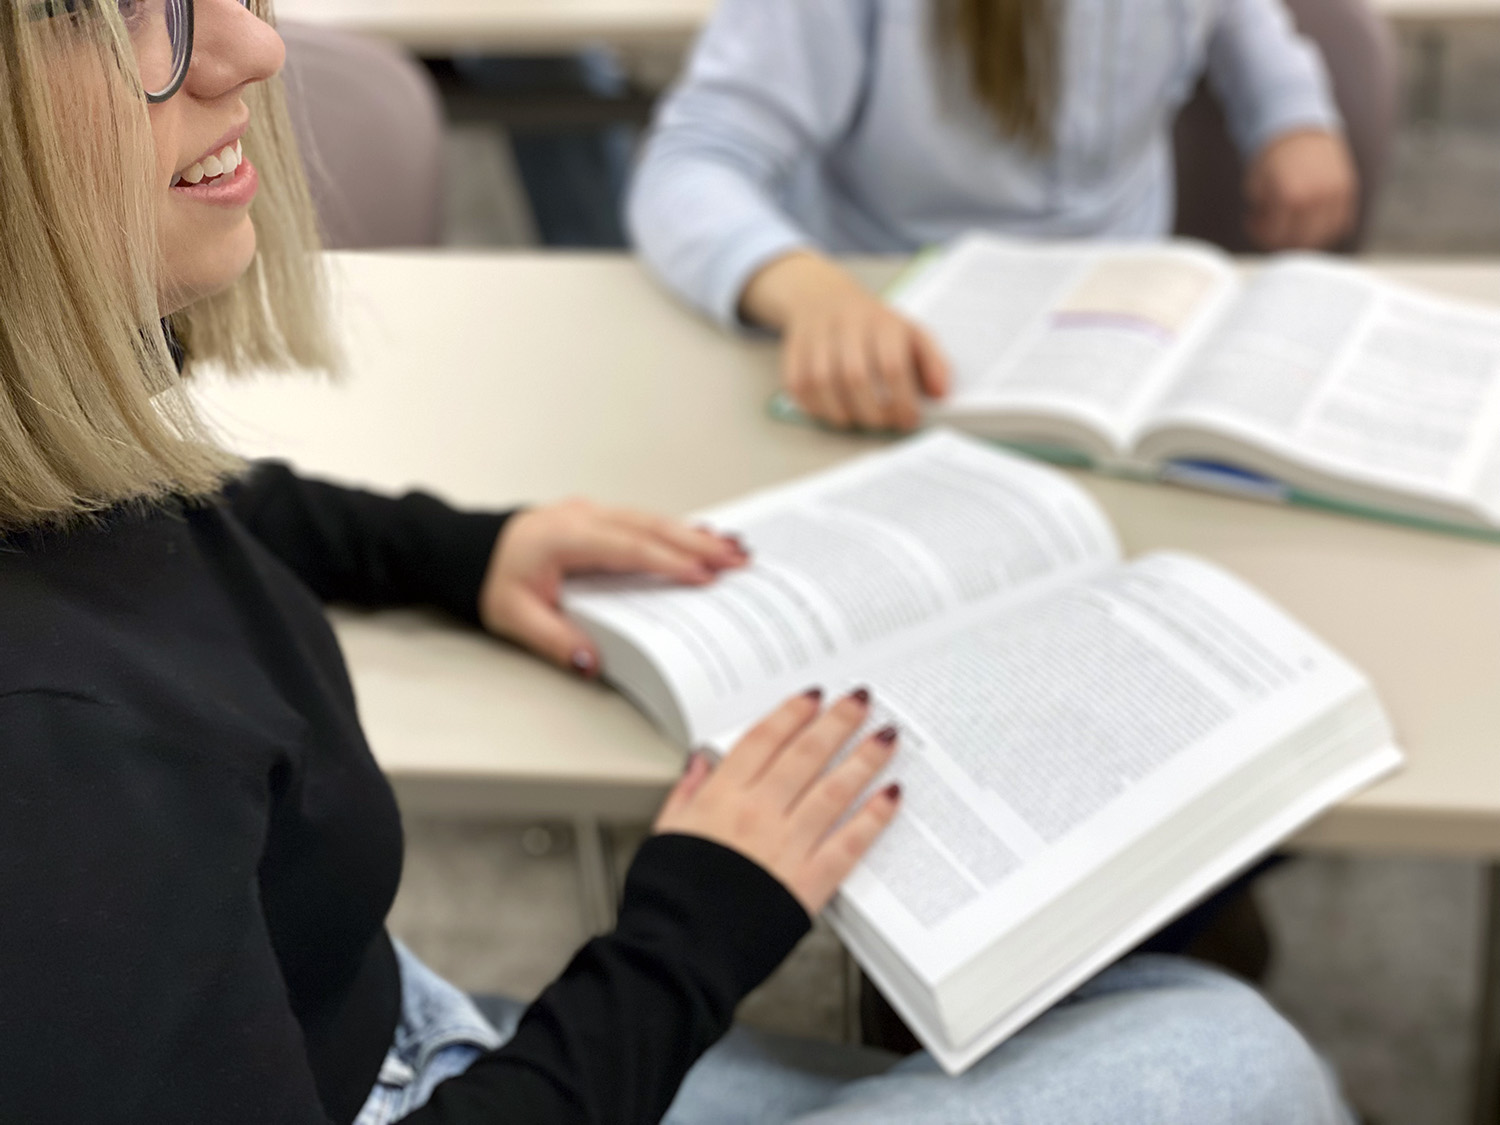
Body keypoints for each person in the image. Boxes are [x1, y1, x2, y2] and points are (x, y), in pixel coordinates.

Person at [0, 2, 1354, 1122]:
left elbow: (156, 504)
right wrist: (689, 931)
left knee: (1147, 1012)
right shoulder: (65, 768)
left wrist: (462, 549)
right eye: (132, 15)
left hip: (384, 1027)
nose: (252, 47)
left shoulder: (51, 500)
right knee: (1234, 1056)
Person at [627, 0, 1361, 432]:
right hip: (906, 336)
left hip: (1128, 325)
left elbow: (1241, 15)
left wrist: (1290, 114)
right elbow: (689, 164)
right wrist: (809, 291)